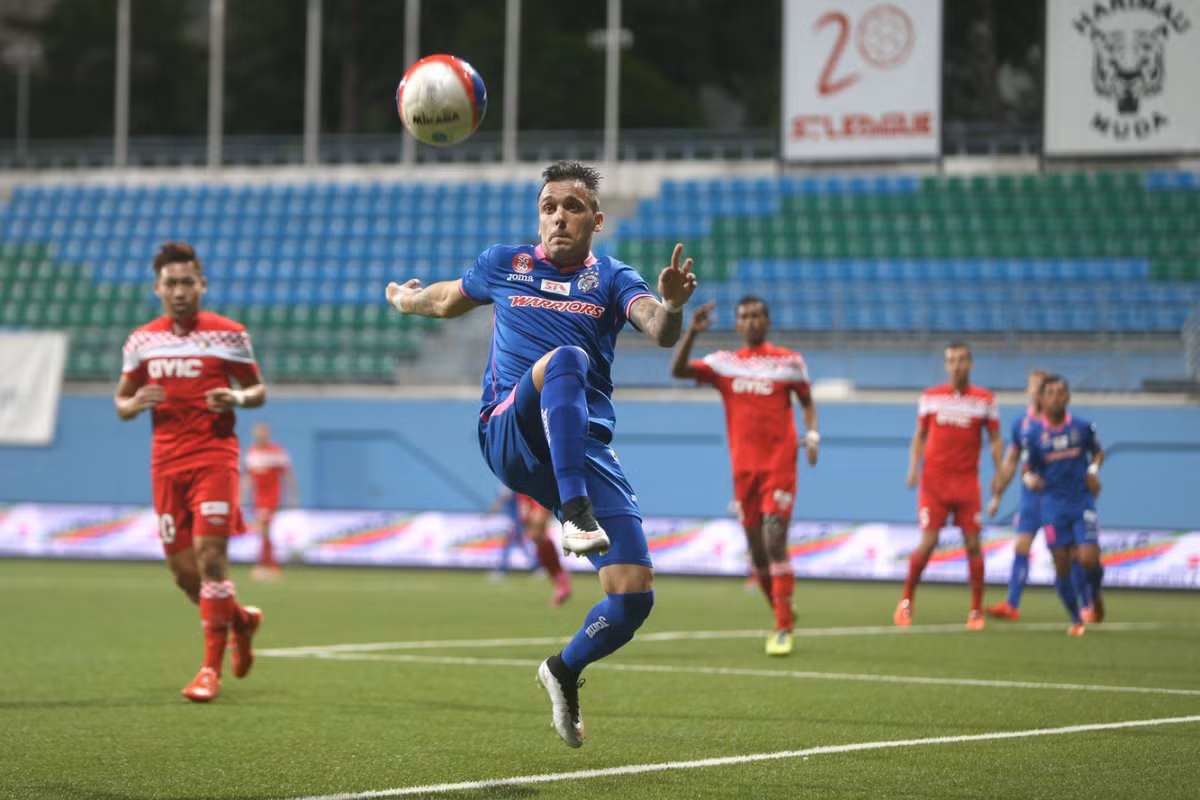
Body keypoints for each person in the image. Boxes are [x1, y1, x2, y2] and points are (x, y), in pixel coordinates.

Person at [385, 160, 697, 749]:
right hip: (510, 430)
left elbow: (657, 327)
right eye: (549, 205)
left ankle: (563, 668)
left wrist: (673, 306)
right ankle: (577, 514)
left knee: (633, 596)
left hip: (579, 447)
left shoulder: (610, 277)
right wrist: (406, 301)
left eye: (572, 206)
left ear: (596, 220)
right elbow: (447, 299)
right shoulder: (506, 263)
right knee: (567, 362)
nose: (558, 216)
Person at [114, 241, 266, 702]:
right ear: (158, 289)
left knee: (210, 556)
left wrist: (235, 398)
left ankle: (208, 671)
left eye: (187, 282)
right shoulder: (142, 341)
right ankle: (240, 620)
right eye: (170, 284)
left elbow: (256, 389)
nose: (179, 291)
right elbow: (121, 402)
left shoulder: (228, 334)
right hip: (166, 464)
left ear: (201, 285)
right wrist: (134, 402)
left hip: (214, 456)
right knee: (184, 574)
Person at [669, 297, 818, 656]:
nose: (750, 322)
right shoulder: (725, 364)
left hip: (780, 466)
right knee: (757, 552)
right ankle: (782, 609)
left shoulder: (789, 363)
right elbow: (678, 371)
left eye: (756, 316)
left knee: (774, 540)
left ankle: (782, 628)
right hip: (744, 472)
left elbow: (807, 401)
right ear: (737, 325)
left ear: (767, 321)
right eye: (743, 317)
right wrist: (690, 331)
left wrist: (812, 435)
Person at [895, 342, 1001, 630]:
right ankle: (906, 602)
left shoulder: (985, 399)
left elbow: (994, 439)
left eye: (962, 360)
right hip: (935, 483)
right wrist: (913, 468)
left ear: (971, 364)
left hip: (967, 483)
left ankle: (976, 611)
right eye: (951, 360)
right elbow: (920, 435)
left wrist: (999, 471)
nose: (956, 365)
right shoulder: (931, 397)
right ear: (946, 365)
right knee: (928, 543)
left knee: (973, 545)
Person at [1019, 375, 1105, 635]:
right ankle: (1076, 618)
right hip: (1053, 506)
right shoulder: (1034, 435)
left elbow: (1098, 452)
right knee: (1062, 564)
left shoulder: (1081, 427)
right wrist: (1031, 479)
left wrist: (1092, 470)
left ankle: (1095, 597)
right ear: (1042, 398)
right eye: (1051, 393)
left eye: (1061, 392)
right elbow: (1027, 468)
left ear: (1067, 397)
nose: (1056, 397)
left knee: (1089, 558)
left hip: (1081, 501)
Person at [984, 369, 1048, 620]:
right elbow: (1011, 461)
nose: (1035, 390)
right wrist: (997, 494)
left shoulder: (1060, 422)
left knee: (1068, 554)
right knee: (1021, 545)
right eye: (1032, 385)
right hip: (1031, 498)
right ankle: (1012, 605)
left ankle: (1087, 604)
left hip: (1058, 496)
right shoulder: (1020, 424)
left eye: (1041, 386)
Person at [242, 421, 296, 581]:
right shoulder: (251, 452)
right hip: (258, 498)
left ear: (268, 434)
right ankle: (268, 565)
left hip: (271, 497)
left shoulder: (277, 451)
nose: (259, 435)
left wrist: (292, 496)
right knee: (262, 532)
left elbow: (288, 475)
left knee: (264, 530)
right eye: (257, 432)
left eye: (262, 432)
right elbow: (248, 477)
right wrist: (243, 495)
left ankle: (267, 566)